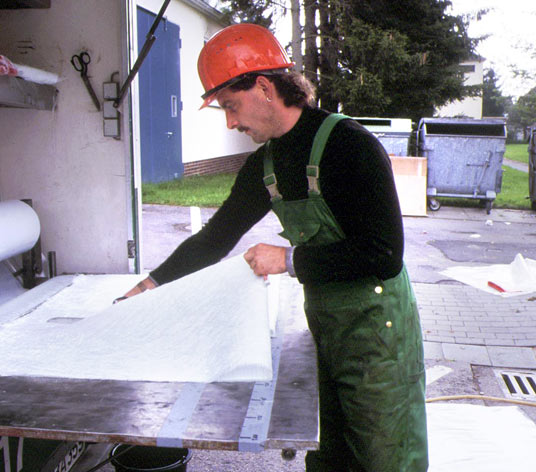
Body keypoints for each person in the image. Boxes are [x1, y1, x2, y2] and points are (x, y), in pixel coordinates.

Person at [121, 23, 428, 471]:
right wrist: (150, 286)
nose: (231, 122)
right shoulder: (265, 165)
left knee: (384, 454)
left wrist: (288, 259)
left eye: (231, 106)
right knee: (333, 448)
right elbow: (214, 239)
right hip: (327, 324)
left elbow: (383, 254)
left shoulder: (349, 145)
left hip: (379, 329)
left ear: (265, 88)